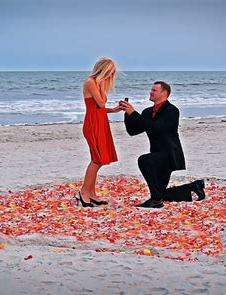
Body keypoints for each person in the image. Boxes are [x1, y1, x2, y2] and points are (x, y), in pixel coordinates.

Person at [119, 81, 205, 208]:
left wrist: (134, 113)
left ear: (164, 93)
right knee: (160, 193)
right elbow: (133, 130)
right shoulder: (147, 112)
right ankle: (193, 186)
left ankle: (156, 202)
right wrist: (128, 114)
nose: (150, 92)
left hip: (170, 155)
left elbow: (157, 128)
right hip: (156, 155)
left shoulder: (172, 111)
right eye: (151, 90)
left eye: (154, 90)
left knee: (144, 160)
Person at [78, 57, 122, 207]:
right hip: (92, 124)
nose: (111, 76)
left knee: (99, 160)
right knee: (97, 159)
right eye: (110, 72)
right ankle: (84, 192)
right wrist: (102, 85)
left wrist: (114, 109)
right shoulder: (91, 82)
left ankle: (91, 193)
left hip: (100, 122)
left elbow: (100, 109)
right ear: (103, 70)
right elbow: (101, 103)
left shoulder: (97, 83)